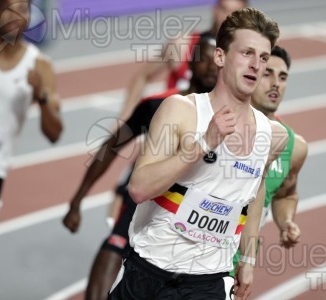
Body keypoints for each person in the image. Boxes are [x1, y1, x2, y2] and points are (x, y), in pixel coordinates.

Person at [109, 8, 287, 300]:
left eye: (264, 58)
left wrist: (248, 259)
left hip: (208, 283)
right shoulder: (181, 111)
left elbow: (254, 196)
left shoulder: (270, 134)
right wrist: (205, 143)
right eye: (246, 53)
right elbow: (139, 189)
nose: (256, 65)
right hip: (148, 273)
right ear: (220, 57)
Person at [63, 36, 218, 300]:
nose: (212, 67)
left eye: (217, 61)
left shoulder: (226, 119)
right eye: (205, 58)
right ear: (191, 60)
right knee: (114, 244)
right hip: (147, 199)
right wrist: (77, 200)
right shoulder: (158, 105)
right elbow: (111, 146)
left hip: (195, 219)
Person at [0, 0, 63, 273]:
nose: (16, 15)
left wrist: (42, 96)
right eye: (10, 7)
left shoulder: (40, 66)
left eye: (24, 9)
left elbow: (55, 134)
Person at [230, 45, 308, 276]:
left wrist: (285, 222)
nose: (276, 83)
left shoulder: (294, 147)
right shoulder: (220, 128)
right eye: (267, 74)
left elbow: (286, 193)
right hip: (191, 253)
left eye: (282, 77)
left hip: (239, 263)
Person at [117, 0, 248, 123]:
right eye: (224, 10)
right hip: (171, 125)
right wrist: (124, 118)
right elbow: (142, 76)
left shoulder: (243, 57)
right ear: (214, 10)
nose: (227, 18)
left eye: (235, 14)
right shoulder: (183, 44)